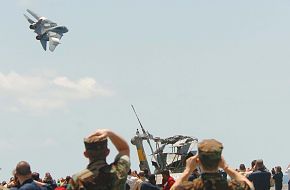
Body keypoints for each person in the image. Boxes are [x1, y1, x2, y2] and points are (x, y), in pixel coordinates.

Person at [171, 139, 253, 190]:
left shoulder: (192, 187)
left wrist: (188, 170)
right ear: (220, 160)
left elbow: (174, 188)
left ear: (198, 161)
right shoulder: (230, 187)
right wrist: (226, 167)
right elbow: (250, 186)